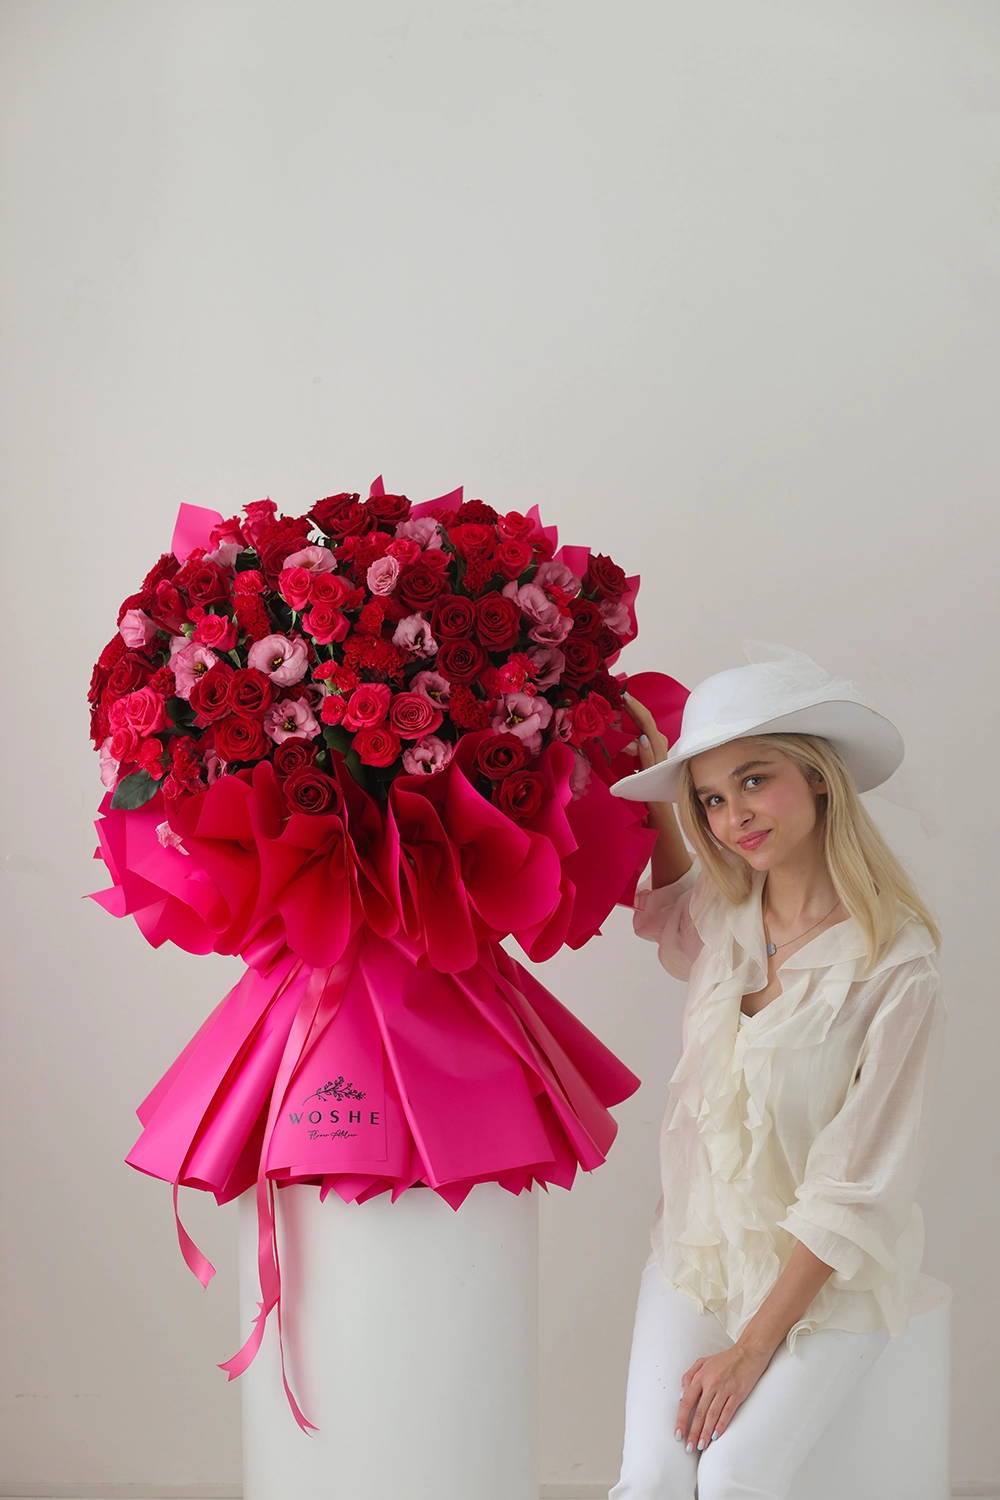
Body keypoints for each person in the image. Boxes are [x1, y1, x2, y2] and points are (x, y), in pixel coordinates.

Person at [605, 644, 945, 1500]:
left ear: (819, 777)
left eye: (754, 781)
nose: (733, 817)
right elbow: (674, 913)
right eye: (712, 799)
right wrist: (663, 800)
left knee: (731, 1480)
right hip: (699, 1251)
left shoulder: (895, 968)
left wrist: (752, 1349)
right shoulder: (725, 917)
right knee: (650, 1481)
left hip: (826, 1279)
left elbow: (858, 1187)